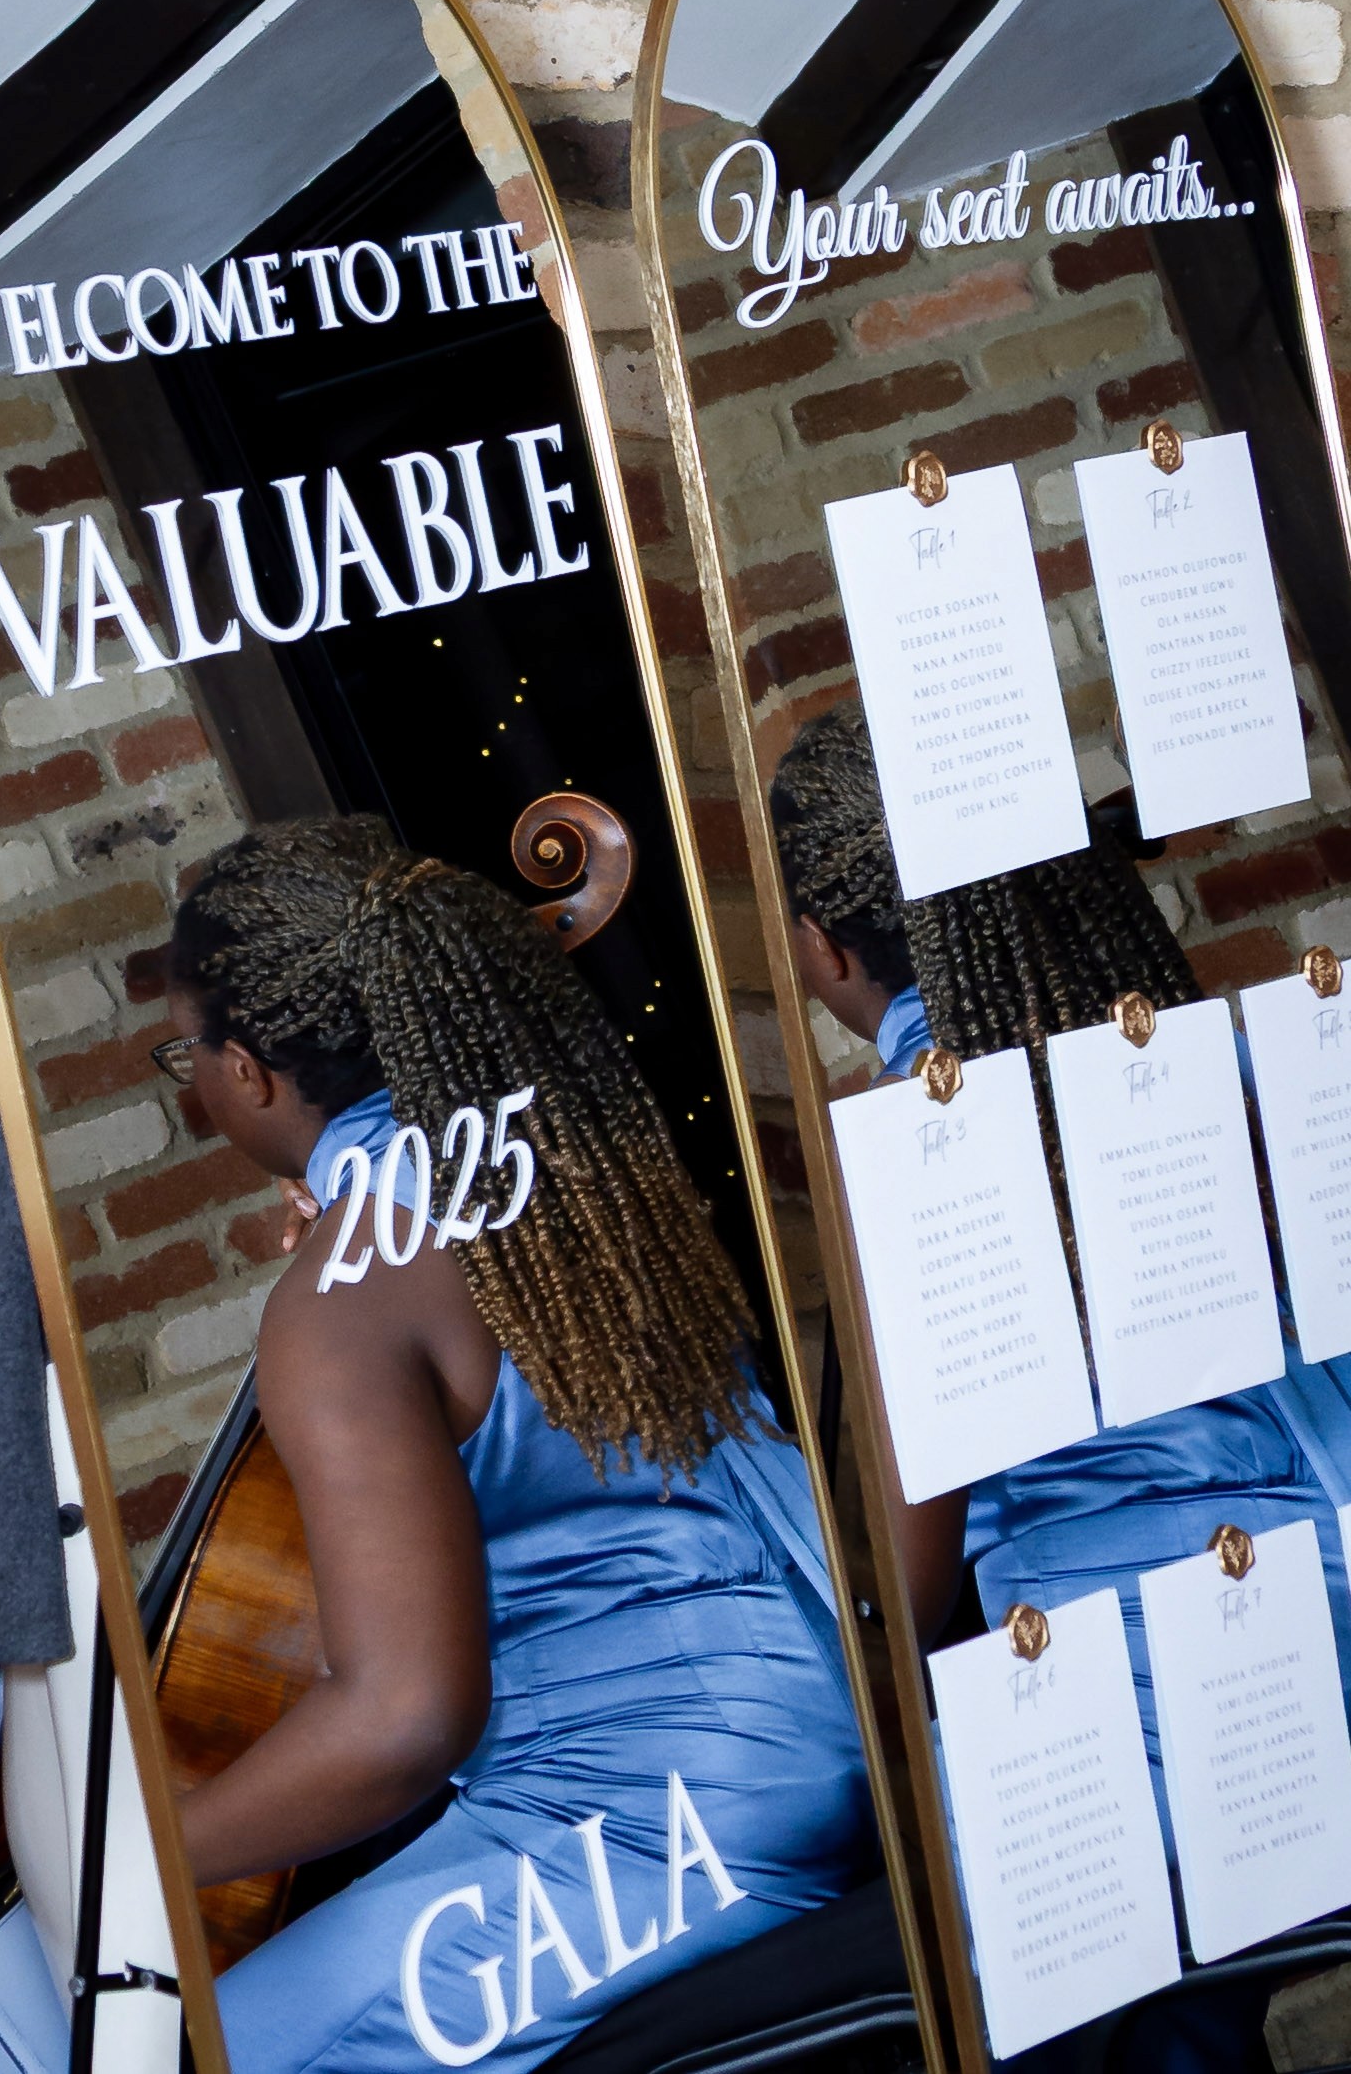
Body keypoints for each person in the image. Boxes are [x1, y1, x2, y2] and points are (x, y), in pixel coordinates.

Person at [154, 816, 877, 2074]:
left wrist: (140, 1871)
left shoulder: (344, 1299)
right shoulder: (587, 1160)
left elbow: (404, 1717)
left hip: (659, 1820)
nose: (196, 1086)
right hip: (837, 1707)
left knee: (185, 2055)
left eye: (189, 1057)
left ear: (253, 1072)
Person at [771, 701, 1351, 2068]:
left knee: (971, 1946)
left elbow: (907, 1591)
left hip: (1201, 1698)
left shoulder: (917, 1144)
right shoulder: (1234, 1046)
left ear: (819, 945)